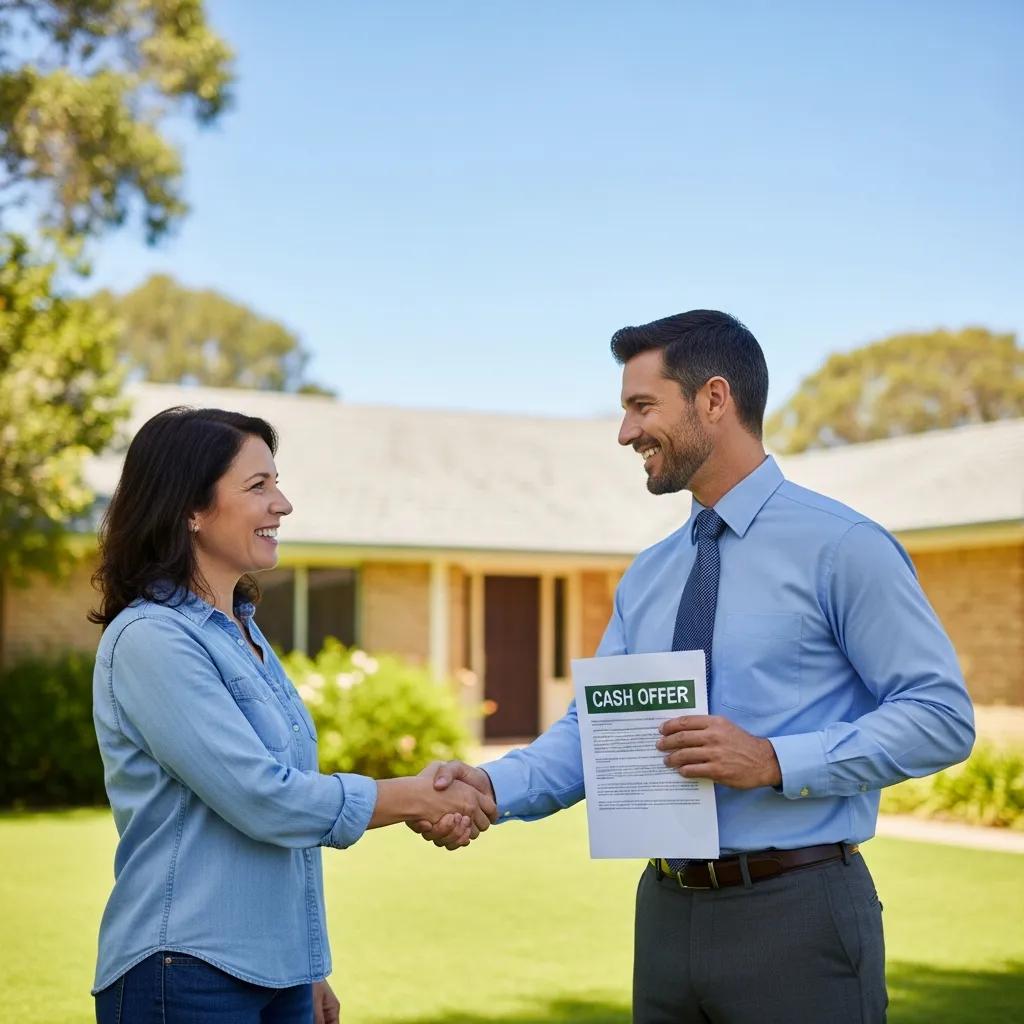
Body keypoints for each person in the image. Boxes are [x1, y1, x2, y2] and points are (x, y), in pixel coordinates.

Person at [413, 310, 975, 1023]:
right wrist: (489, 785)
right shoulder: (649, 576)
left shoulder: (843, 548)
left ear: (714, 399)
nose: (625, 433)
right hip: (666, 913)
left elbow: (940, 717)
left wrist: (773, 758)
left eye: (642, 406)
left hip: (798, 913)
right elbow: (596, 732)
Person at [89, 407, 496, 1024]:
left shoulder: (242, 635)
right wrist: (415, 797)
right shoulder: (152, 638)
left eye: (276, 482)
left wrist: (306, 967)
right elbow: (264, 800)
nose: (282, 504)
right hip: (184, 972)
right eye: (258, 486)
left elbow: (285, 826)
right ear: (190, 510)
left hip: (276, 973)